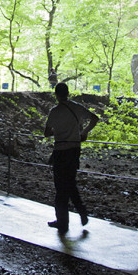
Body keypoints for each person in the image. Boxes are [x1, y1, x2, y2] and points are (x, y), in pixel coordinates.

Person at [43, 82, 99, 233]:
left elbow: (46, 133)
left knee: (61, 187)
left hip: (61, 151)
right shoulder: (76, 107)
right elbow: (94, 118)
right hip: (74, 150)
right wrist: (84, 132)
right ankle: (81, 212)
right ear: (68, 93)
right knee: (70, 182)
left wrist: (59, 132)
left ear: (56, 95)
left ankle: (63, 221)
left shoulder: (55, 111)